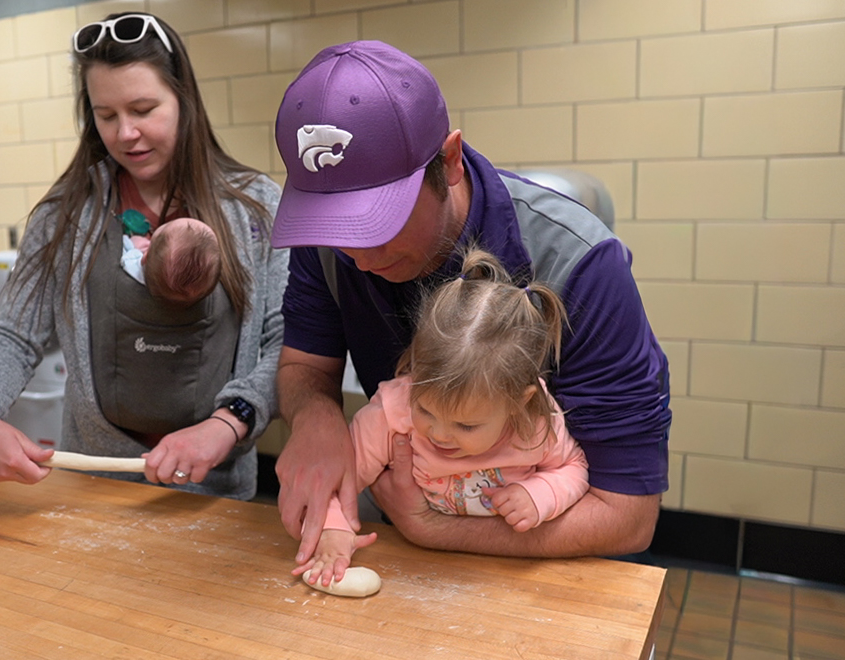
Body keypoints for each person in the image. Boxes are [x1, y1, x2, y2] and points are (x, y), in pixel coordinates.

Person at [271, 40, 671, 560]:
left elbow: (628, 518)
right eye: (336, 226)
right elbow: (303, 366)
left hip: (537, 560)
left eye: (377, 222)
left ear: (450, 160)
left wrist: (431, 528)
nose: (358, 256)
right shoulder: (331, 245)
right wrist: (314, 421)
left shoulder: (581, 264)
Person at [0, 12, 288, 501]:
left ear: (184, 100)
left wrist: (228, 423)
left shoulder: (253, 208)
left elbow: (288, 340)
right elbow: (14, 333)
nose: (125, 132)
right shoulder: (65, 214)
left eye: (143, 108)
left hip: (215, 493)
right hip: (91, 484)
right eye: (105, 115)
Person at [294, 249, 589, 587]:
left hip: (507, 568)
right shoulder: (394, 413)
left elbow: (574, 468)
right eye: (426, 410)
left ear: (518, 404)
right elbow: (337, 478)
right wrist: (333, 528)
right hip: (413, 564)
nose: (439, 434)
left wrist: (541, 494)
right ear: (413, 372)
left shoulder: (535, 424)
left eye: (467, 425)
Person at [120, 215, 222, 306]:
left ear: (145, 258)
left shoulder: (131, 266)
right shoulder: (199, 306)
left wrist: (133, 244)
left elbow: (125, 253)